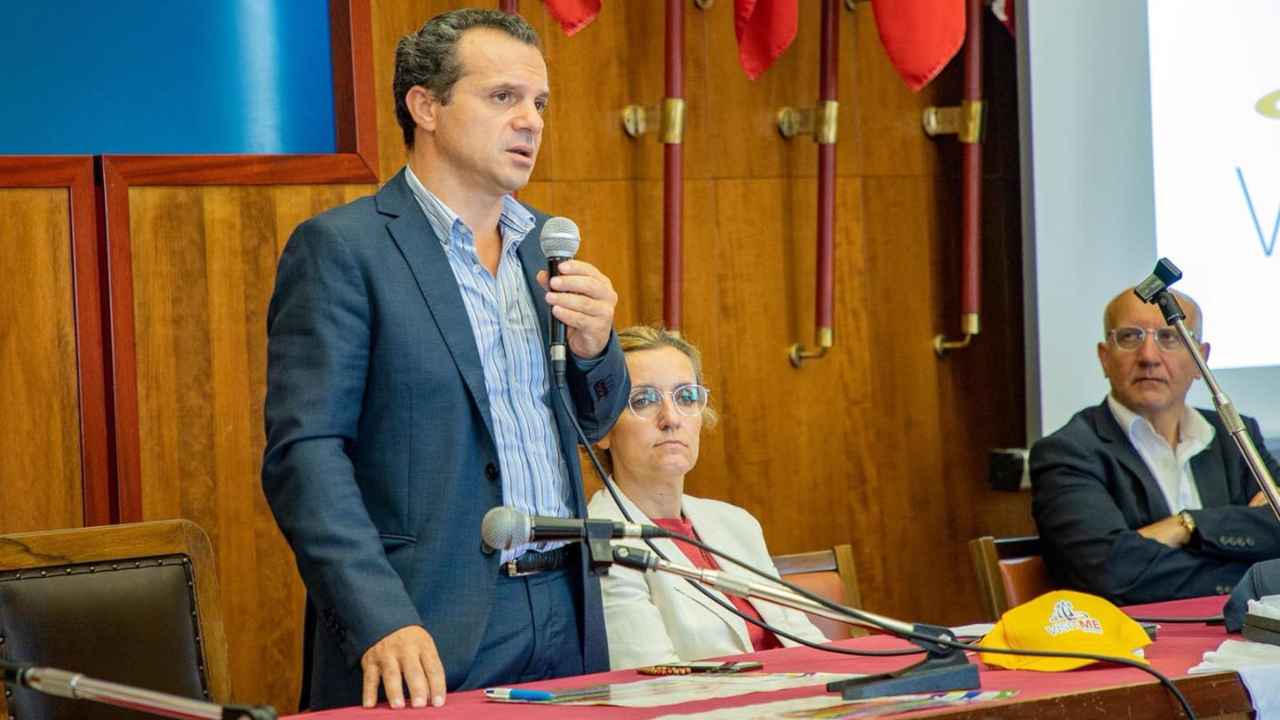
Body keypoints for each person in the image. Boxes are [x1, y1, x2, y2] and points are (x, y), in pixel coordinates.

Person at [261, 9, 629, 711]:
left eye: (540, 103)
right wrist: (379, 615)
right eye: (503, 97)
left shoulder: (543, 248)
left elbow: (595, 423)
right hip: (424, 617)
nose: (530, 121)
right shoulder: (344, 250)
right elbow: (305, 456)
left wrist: (595, 347)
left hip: (565, 607)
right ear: (425, 107)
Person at [586, 326, 827, 669]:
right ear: (602, 430)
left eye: (686, 397)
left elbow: (804, 640)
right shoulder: (600, 539)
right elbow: (655, 680)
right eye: (643, 400)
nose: (671, 419)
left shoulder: (735, 523)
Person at [1031, 287, 1280, 606]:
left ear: (1200, 359)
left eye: (1169, 337)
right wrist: (1248, 569)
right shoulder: (1068, 452)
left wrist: (1187, 526)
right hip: (1138, 634)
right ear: (1104, 358)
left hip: (1240, 629)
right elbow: (1110, 572)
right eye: (1130, 337)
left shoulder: (1235, 435)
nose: (1149, 357)